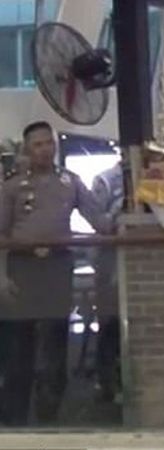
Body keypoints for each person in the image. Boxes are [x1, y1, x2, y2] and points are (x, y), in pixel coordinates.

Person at [0, 121, 112, 425]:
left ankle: (50, 423)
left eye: (49, 143)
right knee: (17, 355)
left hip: (57, 270)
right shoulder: (10, 185)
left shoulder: (70, 182)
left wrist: (121, 223)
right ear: (27, 149)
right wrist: (1, 278)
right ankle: (13, 425)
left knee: (54, 353)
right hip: (20, 272)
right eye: (38, 145)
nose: (45, 150)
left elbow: (98, 218)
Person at [91, 161, 125, 404]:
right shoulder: (104, 180)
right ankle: (106, 384)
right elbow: (98, 222)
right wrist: (119, 210)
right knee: (110, 323)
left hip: (138, 264)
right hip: (109, 260)